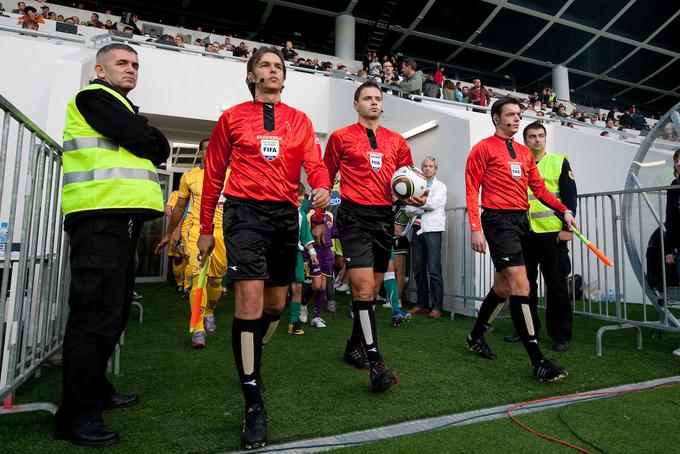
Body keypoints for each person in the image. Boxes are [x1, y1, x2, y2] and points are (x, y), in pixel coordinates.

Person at [198, 46, 330, 450]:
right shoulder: (232, 118)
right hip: (243, 215)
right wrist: (206, 227)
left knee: (274, 305)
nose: (273, 71)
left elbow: (315, 162)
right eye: (265, 66)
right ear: (252, 75)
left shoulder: (300, 120)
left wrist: (322, 185)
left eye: (278, 66)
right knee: (250, 300)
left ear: (285, 78)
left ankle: (254, 349)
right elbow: (214, 174)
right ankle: (254, 402)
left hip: (285, 217)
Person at [55, 43, 169, 447]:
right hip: (98, 221)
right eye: (123, 63)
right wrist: (147, 134)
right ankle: (76, 415)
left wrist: (149, 136)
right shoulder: (93, 97)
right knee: (94, 319)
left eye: (136, 64)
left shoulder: (121, 107)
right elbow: (144, 138)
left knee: (114, 315)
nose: (131, 69)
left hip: (121, 223)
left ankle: (96, 390)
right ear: (100, 69)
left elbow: (161, 149)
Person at [324, 80, 427, 392]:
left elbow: (404, 182)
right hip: (354, 217)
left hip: (384, 218)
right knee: (364, 289)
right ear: (355, 105)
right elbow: (325, 176)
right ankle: (376, 361)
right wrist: (320, 216)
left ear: (382, 105)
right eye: (366, 98)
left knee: (375, 287)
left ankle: (353, 346)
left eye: (377, 98)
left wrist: (411, 198)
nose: (373, 102)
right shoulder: (340, 137)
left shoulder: (397, 141)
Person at [464, 97, 576, 382]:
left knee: (502, 287)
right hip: (497, 222)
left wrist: (563, 210)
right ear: (496, 118)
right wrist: (475, 227)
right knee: (521, 286)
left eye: (518, 114)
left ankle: (475, 337)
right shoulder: (482, 148)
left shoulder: (524, 154)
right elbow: (471, 189)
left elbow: (538, 188)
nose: (516, 119)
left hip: (520, 222)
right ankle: (538, 361)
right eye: (511, 115)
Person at [503, 122, 577, 352]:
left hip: (552, 234)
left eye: (541, 136)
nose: (537, 140)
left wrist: (567, 227)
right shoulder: (517, 165)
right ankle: (526, 329)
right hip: (524, 235)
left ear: (545, 138)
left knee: (556, 286)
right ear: (524, 140)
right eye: (532, 136)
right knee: (524, 286)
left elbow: (569, 196)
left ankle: (561, 335)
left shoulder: (559, 161)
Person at [155, 139, 228, 348]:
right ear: (201, 153)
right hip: (196, 230)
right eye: (207, 148)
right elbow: (179, 207)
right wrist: (169, 233)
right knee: (198, 279)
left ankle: (210, 312)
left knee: (215, 282)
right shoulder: (190, 177)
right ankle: (197, 327)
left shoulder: (232, 175)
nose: (211, 151)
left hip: (222, 234)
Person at [407, 156, 447, 318]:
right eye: (424, 166)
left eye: (430, 166)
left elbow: (433, 204)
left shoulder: (440, 187)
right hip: (416, 230)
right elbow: (408, 209)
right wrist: (421, 205)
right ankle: (422, 304)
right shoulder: (417, 186)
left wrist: (419, 205)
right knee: (418, 269)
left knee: (434, 270)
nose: (427, 169)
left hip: (432, 231)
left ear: (435, 169)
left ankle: (437, 307)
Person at [289, 185, 318, 335]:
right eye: (299, 195)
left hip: (296, 254)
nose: (302, 198)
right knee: (274, 289)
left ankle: (294, 321)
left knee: (298, 286)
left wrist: (312, 251)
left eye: (302, 195)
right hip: (279, 254)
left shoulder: (301, 215)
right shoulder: (278, 212)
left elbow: (306, 236)